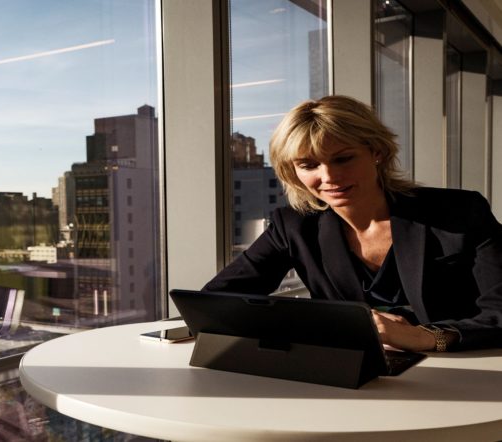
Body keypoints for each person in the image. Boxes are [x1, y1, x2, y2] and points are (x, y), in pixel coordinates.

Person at [204, 95, 502, 352]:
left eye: (343, 159)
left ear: (377, 152)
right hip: (359, 377)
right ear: (293, 171)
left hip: (466, 372)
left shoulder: (460, 211)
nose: (329, 177)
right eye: (309, 165)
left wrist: (425, 337)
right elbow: (216, 301)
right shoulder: (294, 226)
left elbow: (499, 313)